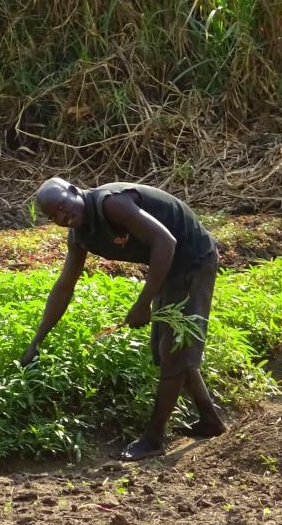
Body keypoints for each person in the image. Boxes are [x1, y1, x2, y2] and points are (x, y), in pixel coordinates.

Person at [19, 177, 226, 460]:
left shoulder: (111, 203)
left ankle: (153, 438)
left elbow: (166, 241)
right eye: (54, 216)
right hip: (168, 266)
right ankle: (210, 420)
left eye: (62, 206)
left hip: (194, 258)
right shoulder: (79, 236)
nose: (62, 216)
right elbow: (65, 286)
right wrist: (37, 341)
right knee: (166, 348)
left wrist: (142, 304)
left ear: (74, 191)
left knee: (174, 349)